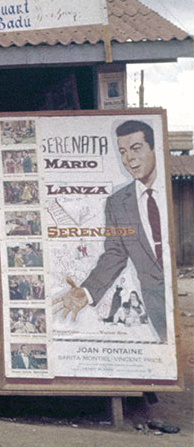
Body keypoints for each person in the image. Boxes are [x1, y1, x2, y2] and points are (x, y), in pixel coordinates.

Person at [53, 120, 168, 342]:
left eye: (136, 149)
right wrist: (86, 292)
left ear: (154, 148)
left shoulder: (171, 195)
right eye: (123, 152)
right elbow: (115, 254)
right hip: (157, 308)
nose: (129, 159)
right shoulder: (117, 203)